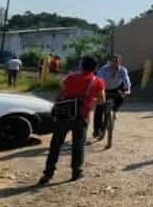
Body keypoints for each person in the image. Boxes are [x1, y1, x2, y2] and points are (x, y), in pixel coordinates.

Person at [39, 56, 106, 185]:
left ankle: (48, 174)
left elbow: (59, 94)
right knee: (78, 145)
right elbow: (102, 100)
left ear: (82, 65)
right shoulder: (98, 81)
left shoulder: (69, 78)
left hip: (63, 116)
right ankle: (76, 172)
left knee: (55, 145)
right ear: (95, 68)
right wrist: (90, 100)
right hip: (81, 118)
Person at [94, 54, 132, 140]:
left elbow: (126, 80)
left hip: (116, 88)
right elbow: (99, 80)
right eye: (114, 61)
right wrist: (99, 92)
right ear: (110, 62)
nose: (115, 64)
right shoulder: (104, 69)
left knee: (121, 97)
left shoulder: (122, 69)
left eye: (118, 62)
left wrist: (128, 89)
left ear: (120, 62)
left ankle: (114, 111)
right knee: (99, 107)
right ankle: (97, 129)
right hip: (104, 89)